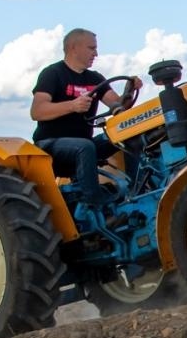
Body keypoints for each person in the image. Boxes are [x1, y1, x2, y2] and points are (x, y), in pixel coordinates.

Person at [31, 28, 139, 208]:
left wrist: (129, 90)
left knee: (128, 135)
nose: (96, 53)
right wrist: (72, 106)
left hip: (83, 143)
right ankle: (93, 201)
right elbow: (37, 111)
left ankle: (136, 190)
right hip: (50, 144)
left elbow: (117, 106)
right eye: (91, 48)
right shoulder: (53, 73)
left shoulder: (95, 78)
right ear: (74, 48)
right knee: (85, 147)